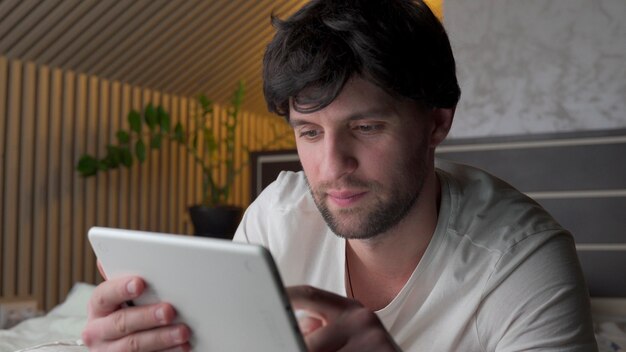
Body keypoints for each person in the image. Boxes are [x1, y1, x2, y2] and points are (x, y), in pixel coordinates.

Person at [82, 1, 598, 351]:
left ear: (437, 121)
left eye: (367, 127)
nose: (331, 168)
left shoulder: (520, 261)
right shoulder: (275, 220)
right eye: (309, 132)